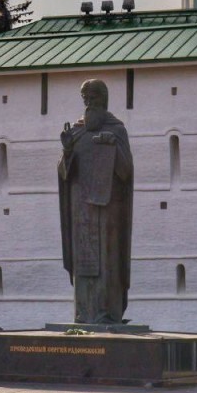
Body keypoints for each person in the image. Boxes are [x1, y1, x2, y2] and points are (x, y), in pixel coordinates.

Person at [58, 79, 133, 324]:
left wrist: (112, 146)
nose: (89, 104)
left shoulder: (116, 130)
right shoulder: (77, 132)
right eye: (86, 99)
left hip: (107, 211)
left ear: (104, 99)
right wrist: (67, 151)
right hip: (81, 211)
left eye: (93, 98)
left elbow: (125, 172)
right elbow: (64, 174)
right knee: (84, 262)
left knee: (106, 261)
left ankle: (106, 313)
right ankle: (83, 313)